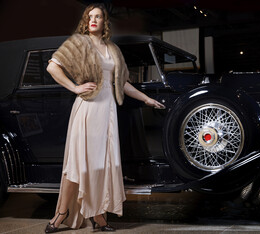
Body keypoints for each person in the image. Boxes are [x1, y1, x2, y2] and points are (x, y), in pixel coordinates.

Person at [44, 3, 165, 233]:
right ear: (85, 21)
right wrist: (75, 88)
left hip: (107, 113)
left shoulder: (113, 50)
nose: (93, 20)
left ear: (104, 22)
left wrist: (145, 99)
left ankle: (98, 217)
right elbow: (53, 67)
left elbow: (122, 83)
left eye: (98, 16)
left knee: (100, 166)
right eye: (89, 16)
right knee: (77, 165)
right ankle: (61, 213)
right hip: (87, 110)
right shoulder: (79, 43)